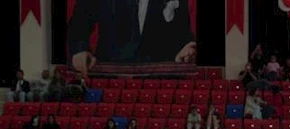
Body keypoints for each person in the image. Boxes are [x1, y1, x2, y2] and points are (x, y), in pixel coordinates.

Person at [67, 0, 196, 78]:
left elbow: (183, 32)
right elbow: (80, 22)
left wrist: (187, 48)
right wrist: (80, 49)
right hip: (111, 74)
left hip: (161, 77)